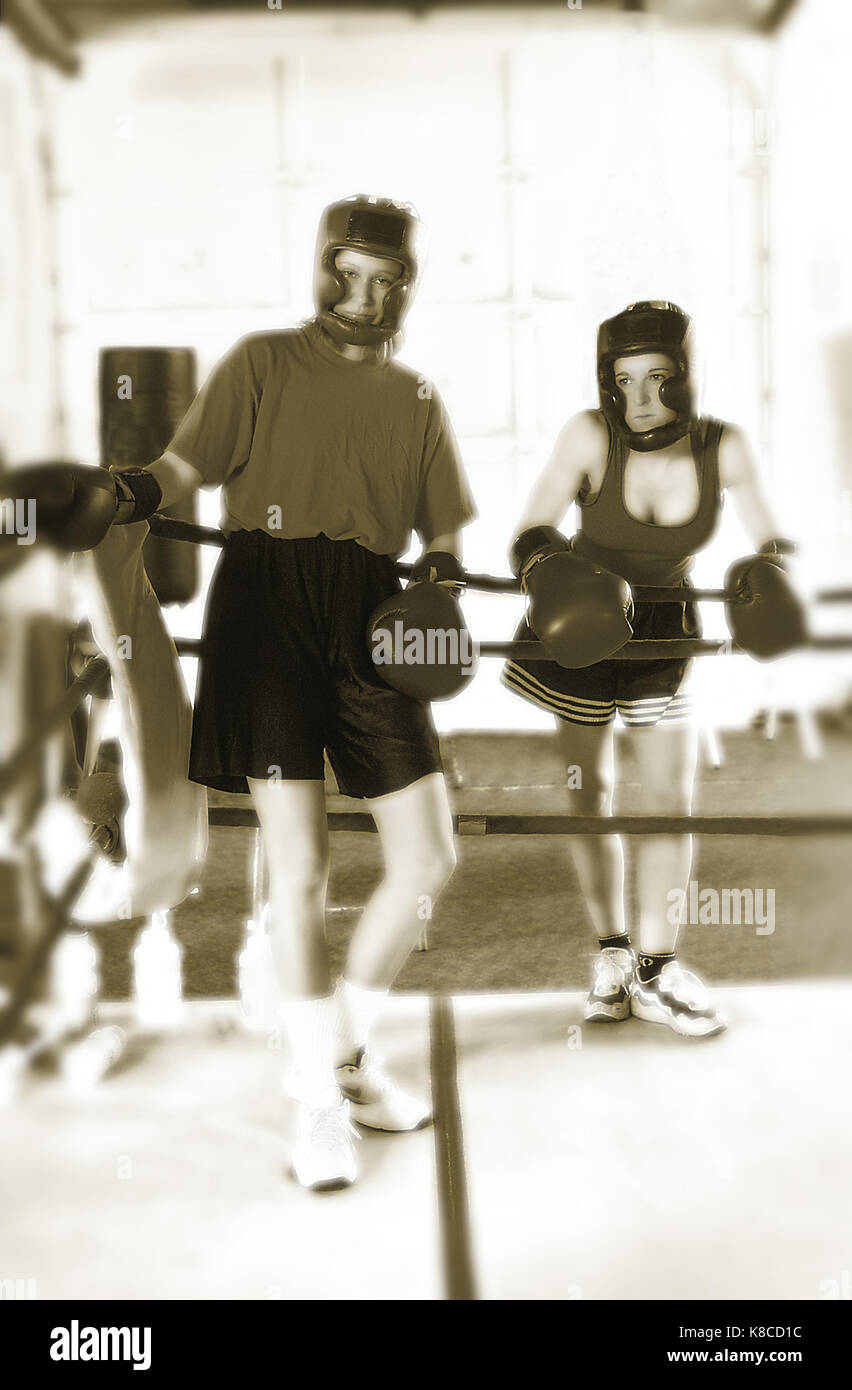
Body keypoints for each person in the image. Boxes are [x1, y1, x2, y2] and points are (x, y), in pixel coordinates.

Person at [125, 195, 477, 1189]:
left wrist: (443, 575)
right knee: (301, 861)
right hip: (265, 599)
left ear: (403, 285)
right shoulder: (261, 362)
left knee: (428, 856)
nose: (360, 295)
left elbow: (443, 528)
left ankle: (337, 1054)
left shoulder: (415, 400)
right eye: (345, 270)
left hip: (374, 611)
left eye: (384, 278)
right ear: (322, 265)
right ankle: (319, 1106)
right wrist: (123, 495)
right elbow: (182, 466)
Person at [502, 301, 796, 1038]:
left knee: (669, 796)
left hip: (664, 632)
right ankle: (611, 955)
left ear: (688, 378)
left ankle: (660, 969)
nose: (639, 401)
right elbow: (530, 529)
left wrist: (772, 575)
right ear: (607, 384)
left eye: (658, 379)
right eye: (624, 381)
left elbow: (776, 537)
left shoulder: (722, 448)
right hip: (579, 620)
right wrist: (551, 570)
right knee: (590, 792)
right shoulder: (590, 436)